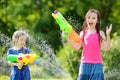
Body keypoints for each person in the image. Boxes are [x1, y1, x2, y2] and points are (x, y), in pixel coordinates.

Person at [63, 9, 112, 80]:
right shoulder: (83, 33)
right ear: (86, 19)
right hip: (85, 64)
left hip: (97, 65)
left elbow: (107, 49)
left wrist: (108, 35)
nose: (90, 20)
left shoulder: (100, 33)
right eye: (88, 18)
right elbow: (77, 47)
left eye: (93, 18)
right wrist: (68, 38)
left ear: (97, 20)